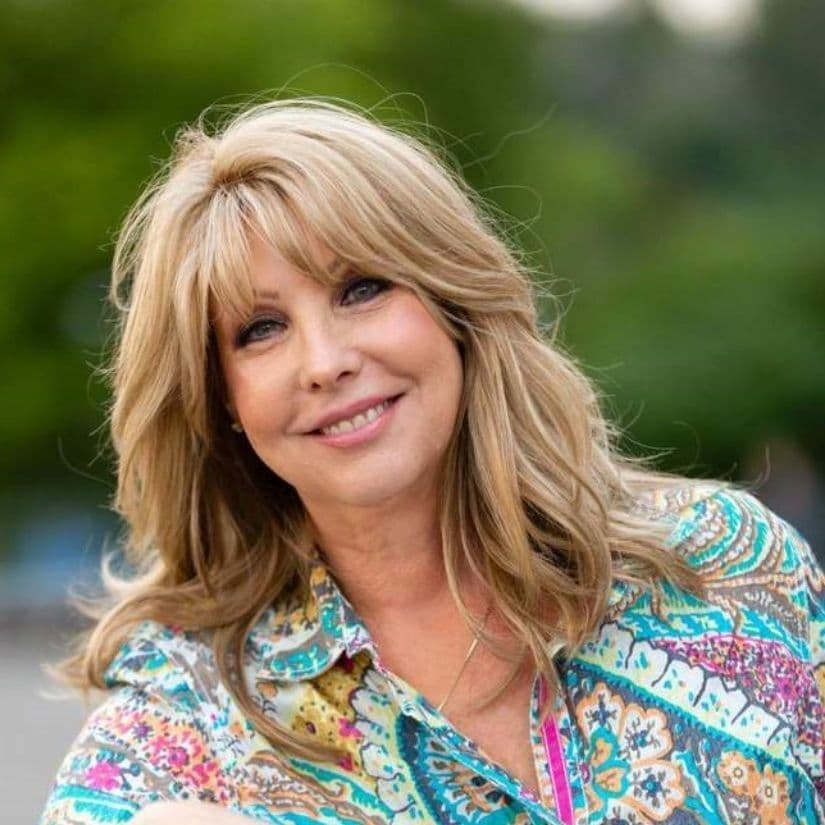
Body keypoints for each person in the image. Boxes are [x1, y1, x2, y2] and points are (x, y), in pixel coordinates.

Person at [40, 99, 824, 825]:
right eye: (260, 330)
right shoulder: (178, 732)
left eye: (361, 288)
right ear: (221, 401)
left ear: (454, 303)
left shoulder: (728, 567)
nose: (325, 362)